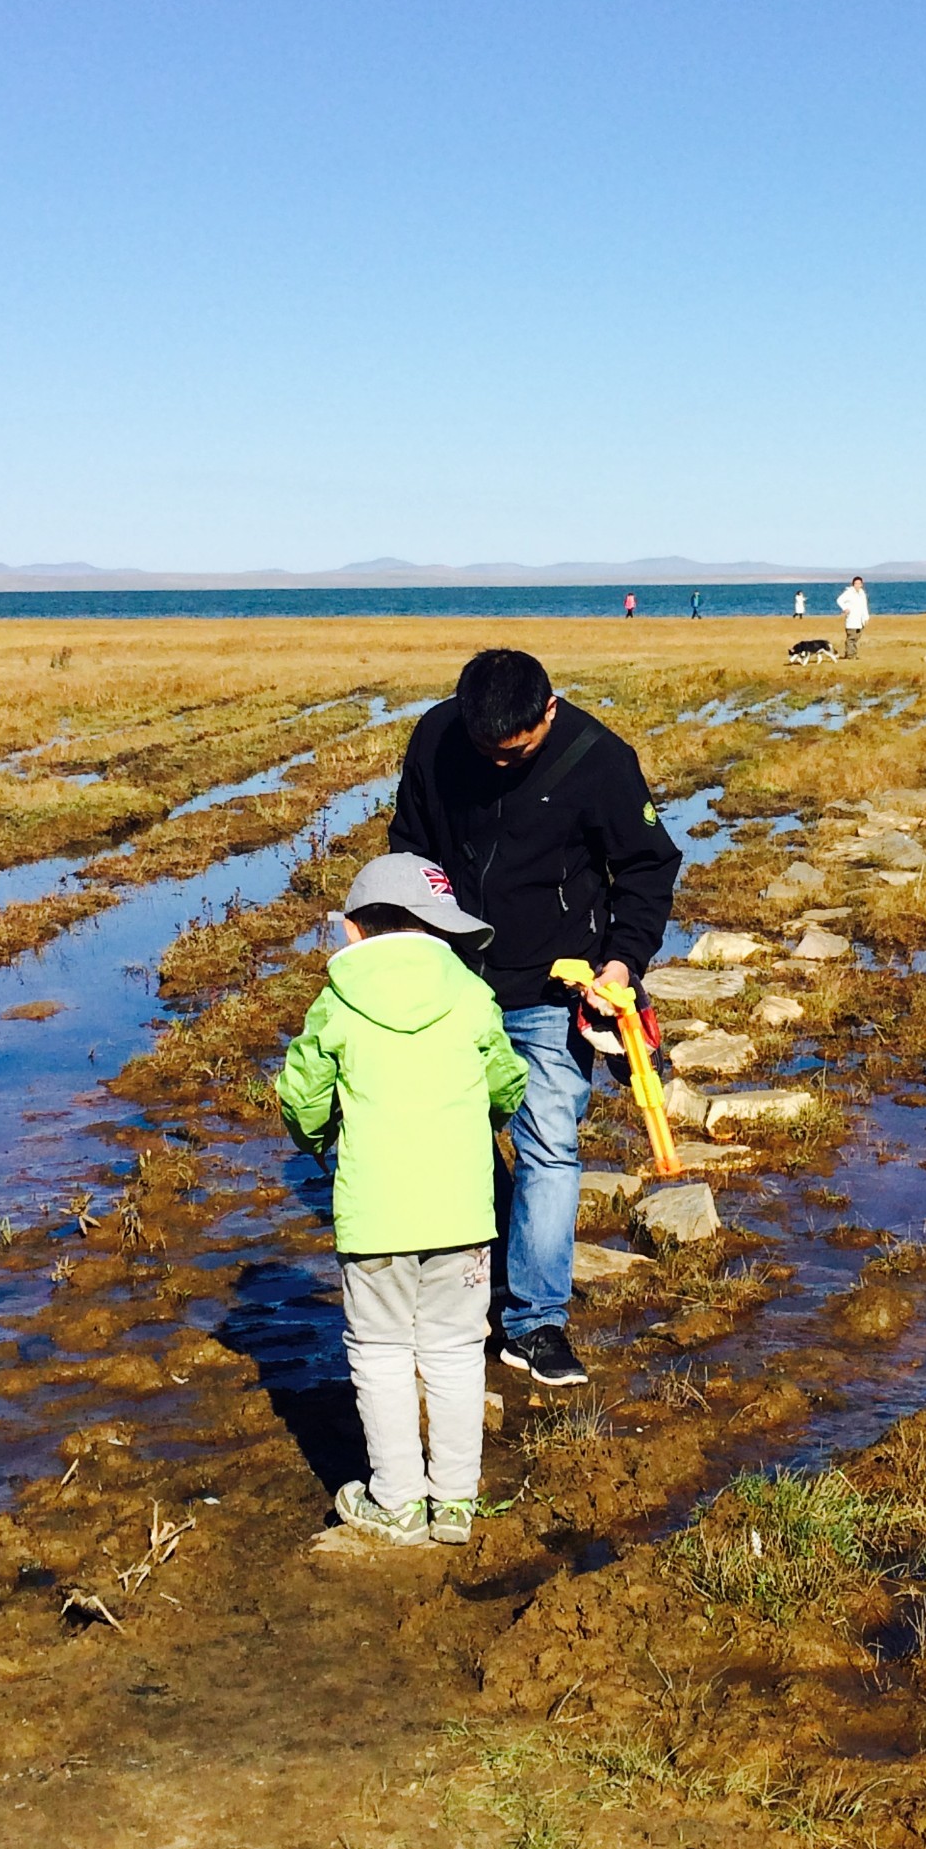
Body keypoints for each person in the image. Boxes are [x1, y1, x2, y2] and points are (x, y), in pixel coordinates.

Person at [388, 648, 682, 1387]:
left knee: (550, 1146)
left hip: (556, 987)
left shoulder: (599, 760)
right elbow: (411, 846)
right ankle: (485, 1278)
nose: (494, 764)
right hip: (453, 984)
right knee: (458, 1138)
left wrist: (620, 966)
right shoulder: (435, 739)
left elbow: (647, 867)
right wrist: (412, 942)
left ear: (548, 713)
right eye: (482, 750)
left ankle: (536, 1323)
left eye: (511, 753)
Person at [276, 853, 528, 1548]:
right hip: (461, 1213)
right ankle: (454, 1502)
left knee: (381, 1352)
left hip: (374, 1217)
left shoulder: (336, 1002)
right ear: (439, 930)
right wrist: (481, 1119)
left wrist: (320, 1137)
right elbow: (507, 1081)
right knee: (451, 1349)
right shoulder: (472, 994)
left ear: (354, 932)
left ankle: (396, 1501)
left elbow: (301, 1097)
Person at [836, 574, 870, 658]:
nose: (857, 585)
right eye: (856, 583)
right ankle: (851, 655)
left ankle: (852, 653)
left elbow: (864, 606)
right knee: (851, 638)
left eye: (859, 583)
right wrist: (845, 608)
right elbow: (839, 600)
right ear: (853, 584)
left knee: (856, 637)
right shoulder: (849, 593)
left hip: (860, 619)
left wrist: (866, 617)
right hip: (852, 619)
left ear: (862, 584)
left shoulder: (862, 594)